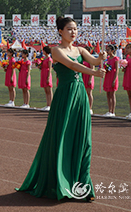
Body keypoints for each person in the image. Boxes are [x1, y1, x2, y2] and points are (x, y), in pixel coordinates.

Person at [17, 16, 106, 201]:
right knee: (63, 137)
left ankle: (82, 186)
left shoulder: (80, 49)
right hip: (65, 97)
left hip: (80, 96)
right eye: (69, 29)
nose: (73, 32)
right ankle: (60, 183)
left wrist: (101, 58)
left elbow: (95, 61)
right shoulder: (56, 51)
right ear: (60, 31)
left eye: (75, 29)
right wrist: (94, 73)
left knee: (83, 139)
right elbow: (72, 65)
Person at [102, 44, 119, 117]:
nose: (107, 51)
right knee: (108, 94)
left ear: (112, 50)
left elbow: (117, 70)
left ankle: (112, 111)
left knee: (112, 94)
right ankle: (109, 110)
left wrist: (114, 80)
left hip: (112, 76)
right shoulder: (107, 59)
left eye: (108, 50)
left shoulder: (116, 59)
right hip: (108, 76)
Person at [81, 46, 95, 115]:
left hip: (88, 76)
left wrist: (90, 79)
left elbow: (92, 69)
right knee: (84, 93)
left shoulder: (90, 59)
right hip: (83, 76)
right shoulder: (83, 59)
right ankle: (84, 107)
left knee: (89, 93)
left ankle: (90, 108)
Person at [39, 46, 53, 111]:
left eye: (43, 51)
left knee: (49, 90)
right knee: (46, 90)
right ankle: (47, 104)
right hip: (43, 73)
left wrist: (48, 77)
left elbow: (50, 68)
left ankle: (50, 105)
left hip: (47, 73)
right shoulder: (43, 58)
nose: (42, 52)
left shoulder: (49, 59)